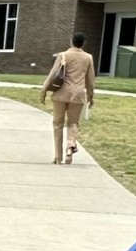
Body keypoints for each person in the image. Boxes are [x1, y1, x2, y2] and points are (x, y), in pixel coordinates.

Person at [41, 31, 96, 161]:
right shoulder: (88, 58)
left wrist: (44, 89)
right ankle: (70, 146)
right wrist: (90, 96)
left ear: (71, 41)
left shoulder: (62, 55)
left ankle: (57, 156)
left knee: (57, 123)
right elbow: (90, 80)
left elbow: (53, 73)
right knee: (73, 123)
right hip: (78, 94)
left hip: (61, 93)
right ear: (83, 44)